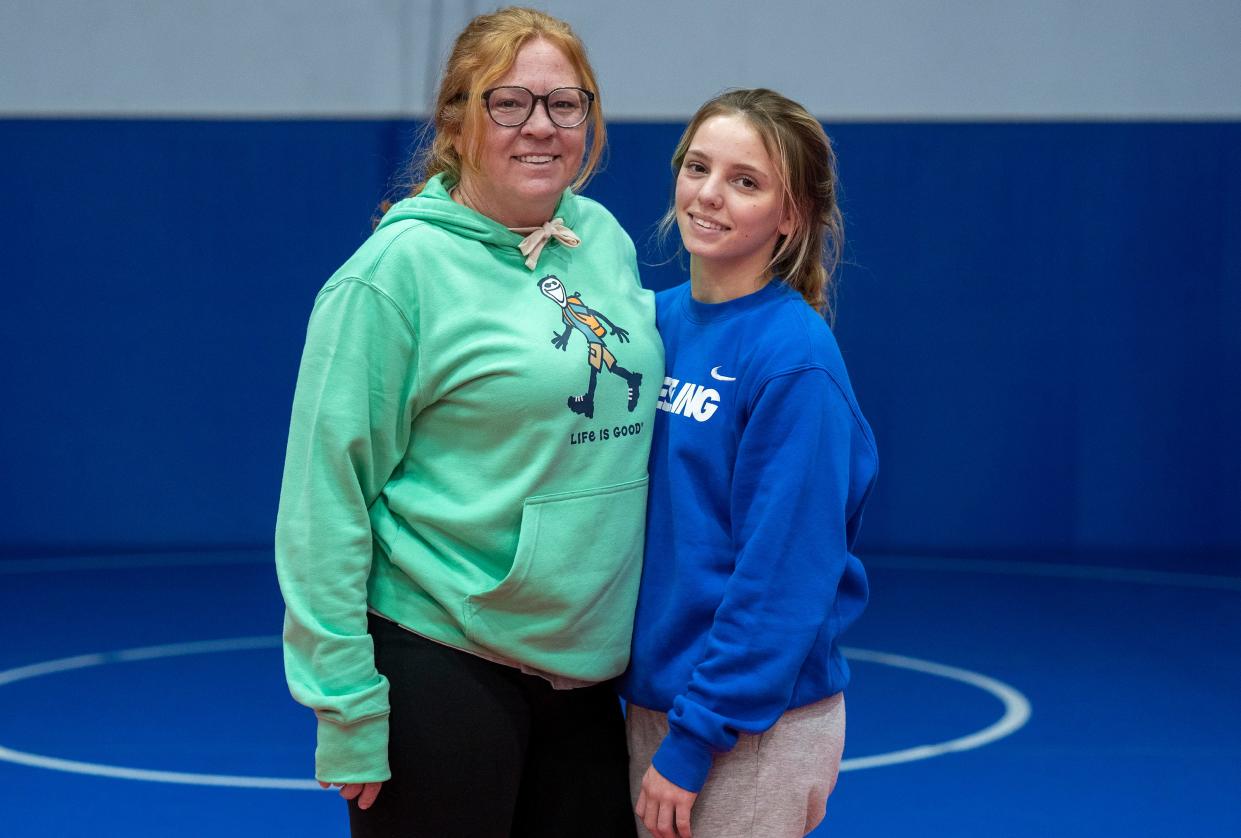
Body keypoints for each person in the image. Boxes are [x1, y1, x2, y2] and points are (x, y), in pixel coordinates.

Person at [274, 8, 661, 836]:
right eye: (508, 102)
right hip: (443, 658)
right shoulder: (392, 274)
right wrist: (343, 707)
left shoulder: (603, 239)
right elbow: (323, 499)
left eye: (565, 104)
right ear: (457, 118)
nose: (541, 127)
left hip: (586, 672)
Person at [618, 88, 877, 838]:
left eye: (745, 181)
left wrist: (694, 741)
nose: (709, 194)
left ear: (789, 216)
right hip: (650, 703)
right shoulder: (650, 323)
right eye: (697, 167)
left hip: (744, 725)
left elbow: (780, 580)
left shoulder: (793, 362)